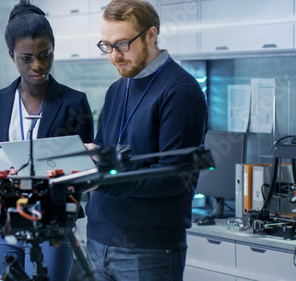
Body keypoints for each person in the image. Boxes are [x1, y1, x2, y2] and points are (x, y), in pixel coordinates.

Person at [84, 0, 208, 280]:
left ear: (151, 35)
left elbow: (174, 176)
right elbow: (111, 154)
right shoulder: (117, 89)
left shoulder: (181, 91)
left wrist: (106, 180)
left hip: (148, 248)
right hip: (97, 239)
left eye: (123, 44)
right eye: (107, 45)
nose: (114, 55)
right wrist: (93, 155)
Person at [0, 1, 94, 279]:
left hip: (52, 224)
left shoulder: (75, 102)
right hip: (1, 224)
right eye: (27, 58)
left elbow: (84, 170)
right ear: (11, 55)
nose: (38, 65)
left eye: (45, 55)